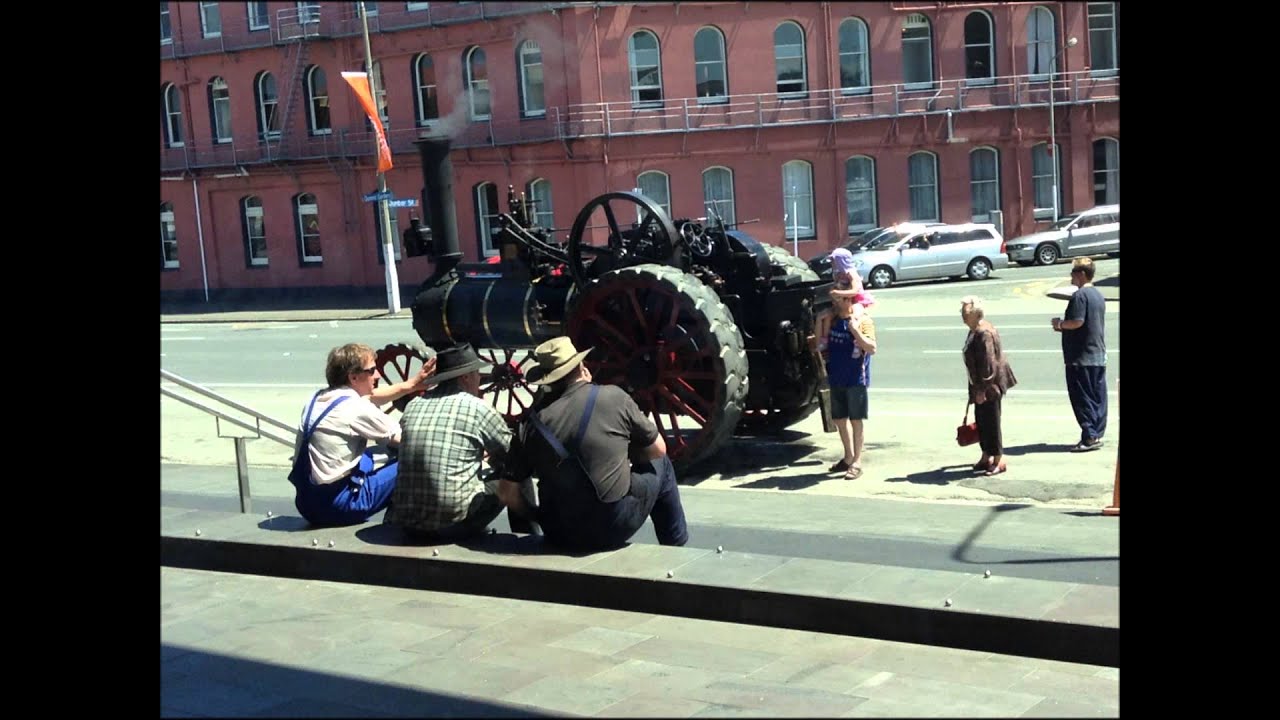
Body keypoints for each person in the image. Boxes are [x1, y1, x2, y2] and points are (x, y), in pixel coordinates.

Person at [494, 337, 690, 551]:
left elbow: (507, 493)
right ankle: (676, 546)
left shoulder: (529, 423)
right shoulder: (614, 397)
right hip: (614, 524)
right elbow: (658, 449)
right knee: (663, 464)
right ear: (581, 366)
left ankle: (529, 542)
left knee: (519, 474)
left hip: (559, 532)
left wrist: (538, 515)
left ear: (546, 379)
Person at [385, 343, 533, 540]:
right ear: (465, 377)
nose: (480, 379)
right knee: (516, 473)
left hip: (408, 525)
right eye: (477, 374)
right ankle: (528, 536)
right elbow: (513, 456)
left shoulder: (414, 405)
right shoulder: (477, 408)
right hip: (452, 525)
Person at [289, 343, 437, 527]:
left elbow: (371, 397)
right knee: (412, 462)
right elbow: (407, 441)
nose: (378, 375)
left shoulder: (318, 399)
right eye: (372, 370)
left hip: (307, 503)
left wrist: (411, 385)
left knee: (373, 453)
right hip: (338, 507)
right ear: (353, 377)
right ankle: (400, 523)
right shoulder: (356, 409)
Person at [1052, 257, 1108, 452]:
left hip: (1081, 357)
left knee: (1083, 398)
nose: (1071, 277)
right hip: (1097, 354)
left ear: (1082, 274)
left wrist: (1059, 324)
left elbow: (1077, 321)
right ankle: (1096, 432)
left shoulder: (1080, 296)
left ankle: (1090, 436)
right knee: (1097, 397)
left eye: (1074, 273)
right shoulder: (1098, 295)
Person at [961, 296, 1018, 476]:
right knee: (982, 421)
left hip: (990, 386)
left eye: (965, 313)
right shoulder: (974, 329)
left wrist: (982, 390)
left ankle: (999, 459)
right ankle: (986, 455)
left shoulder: (984, 333)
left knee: (991, 421)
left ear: (976, 314)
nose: (962, 316)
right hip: (980, 384)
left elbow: (988, 365)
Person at [825, 291, 877, 479]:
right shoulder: (831, 320)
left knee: (856, 420)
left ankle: (857, 461)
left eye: (838, 298)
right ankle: (847, 456)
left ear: (849, 300)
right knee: (839, 419)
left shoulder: (863, 321)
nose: (834, 302)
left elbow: (872, 348)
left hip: (856, 379)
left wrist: (855, 331)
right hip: (837, 377)